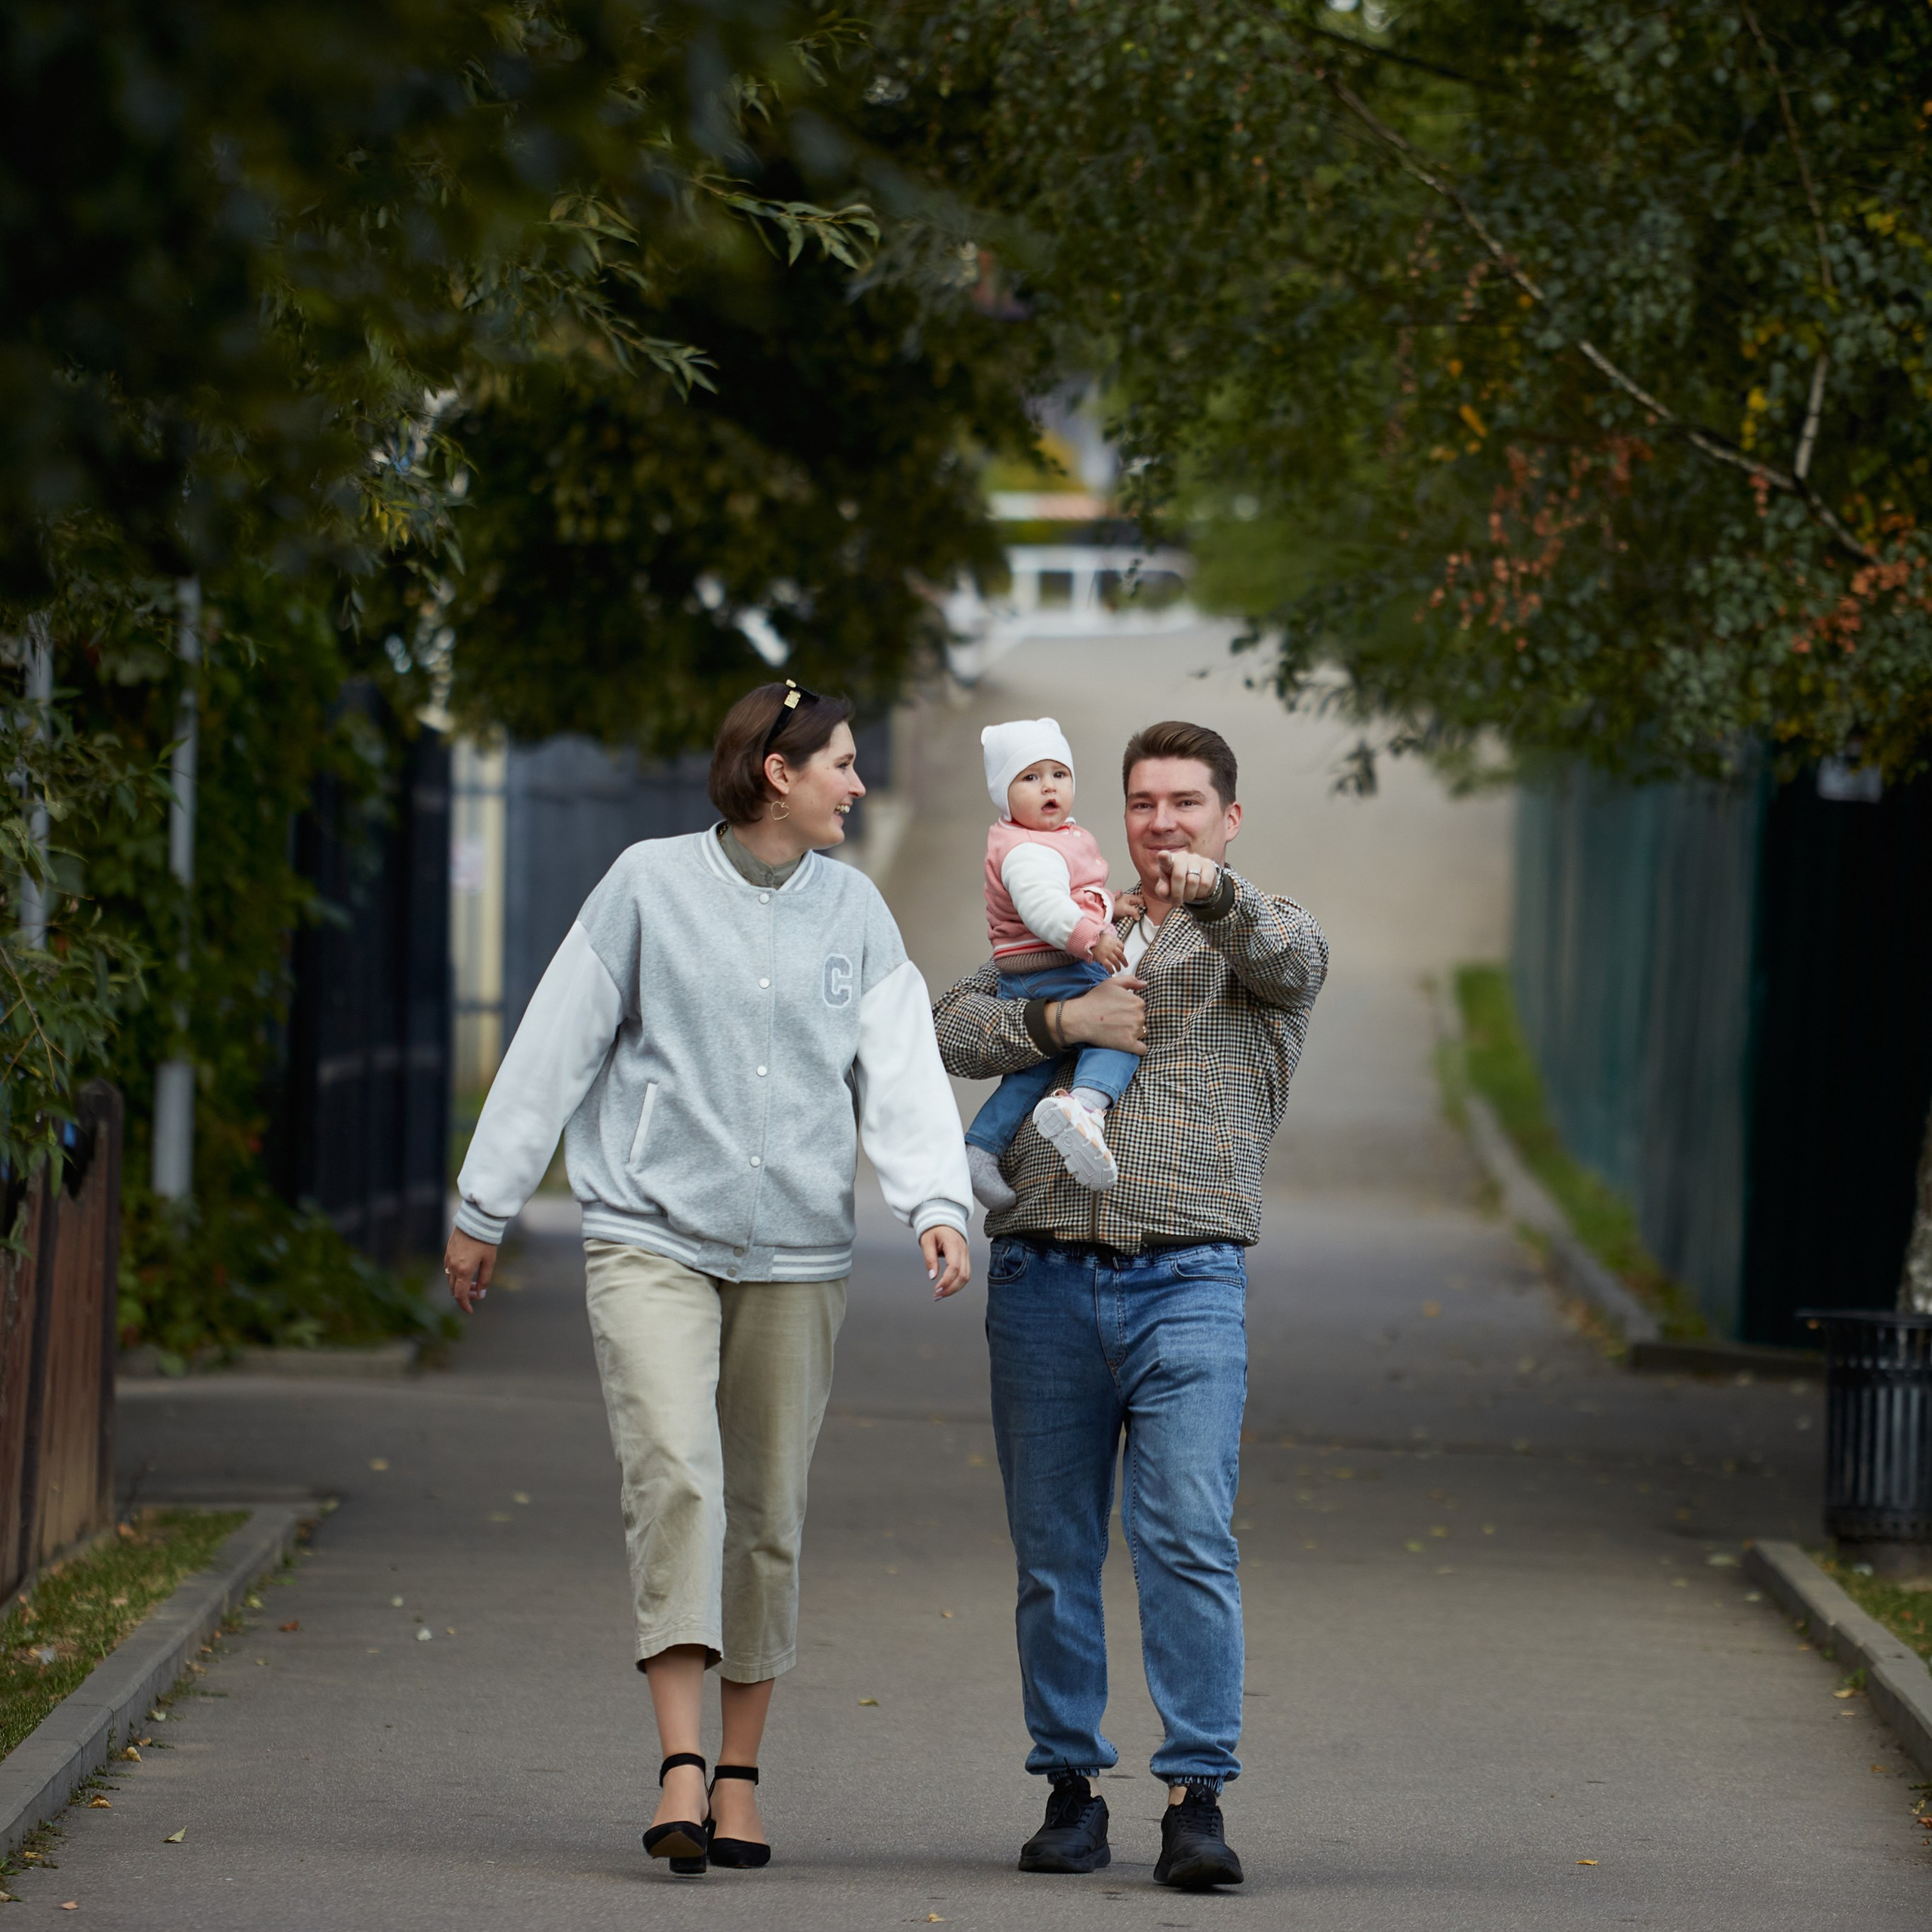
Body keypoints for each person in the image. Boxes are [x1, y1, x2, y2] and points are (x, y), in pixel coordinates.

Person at [443, 680, 972, 1878]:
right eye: (841, 762)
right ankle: (679, 1762)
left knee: (768, 1513)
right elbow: (556, 1039)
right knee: (678, 1474)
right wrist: (484, 1203)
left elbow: (897, 1072)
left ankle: (739, 1775)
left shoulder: (856, 911)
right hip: (651, 1234)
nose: (859, 782)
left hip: (797, 1254)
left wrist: (935, 1204)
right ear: (778, 773)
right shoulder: (646, 885)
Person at [933, 718, 1327, 1892]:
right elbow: (957, 1022)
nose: (1163, 823)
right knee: (1053, 1550)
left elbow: (1295, 962)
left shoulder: (1258, 939)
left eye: (1187, 804)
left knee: (1187, 1536)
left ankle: (1196, 1798)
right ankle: (1070, 1791)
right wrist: (1068, 1020)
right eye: (1145, 802)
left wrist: (1217, 896)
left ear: (1228, 817)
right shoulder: (1075, 918)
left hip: (1189, 1280)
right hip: (1042, 1277)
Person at [963, 717, 1141, 1211]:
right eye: (1030, 777)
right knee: (1120, 1022)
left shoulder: (1047, 839)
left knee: (1028, 1074)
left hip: (1032, 972)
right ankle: (1086, 1107)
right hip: (1058, 966)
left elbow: (1073, 891)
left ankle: (980, 1150)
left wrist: (1111, 903)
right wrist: (1093, 937)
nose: (1049, 787)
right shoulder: (1026, 850)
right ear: (1003, 792)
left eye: (1058, 775)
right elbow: (1046, 908)